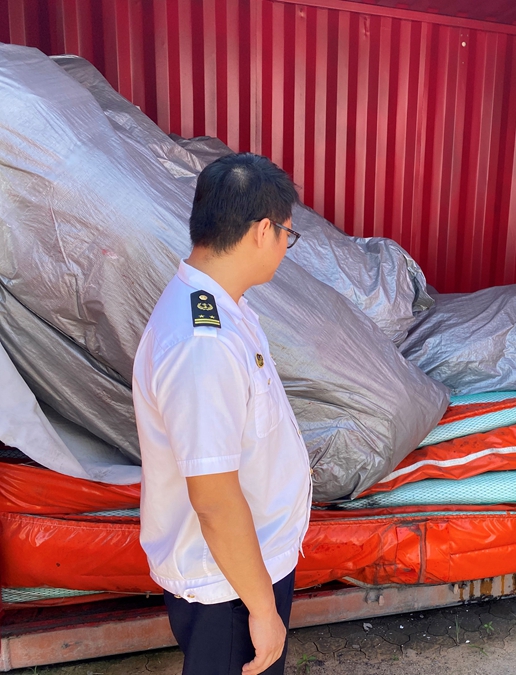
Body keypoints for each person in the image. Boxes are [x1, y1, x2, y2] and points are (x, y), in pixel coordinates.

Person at [133, 153, 312, 675]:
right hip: (230, 586)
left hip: (245, 567)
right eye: (287, 234)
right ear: (263, 231)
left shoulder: (221, 307)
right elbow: (213, 498)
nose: (283, 246)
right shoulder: (202, 343)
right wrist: (263, 610)